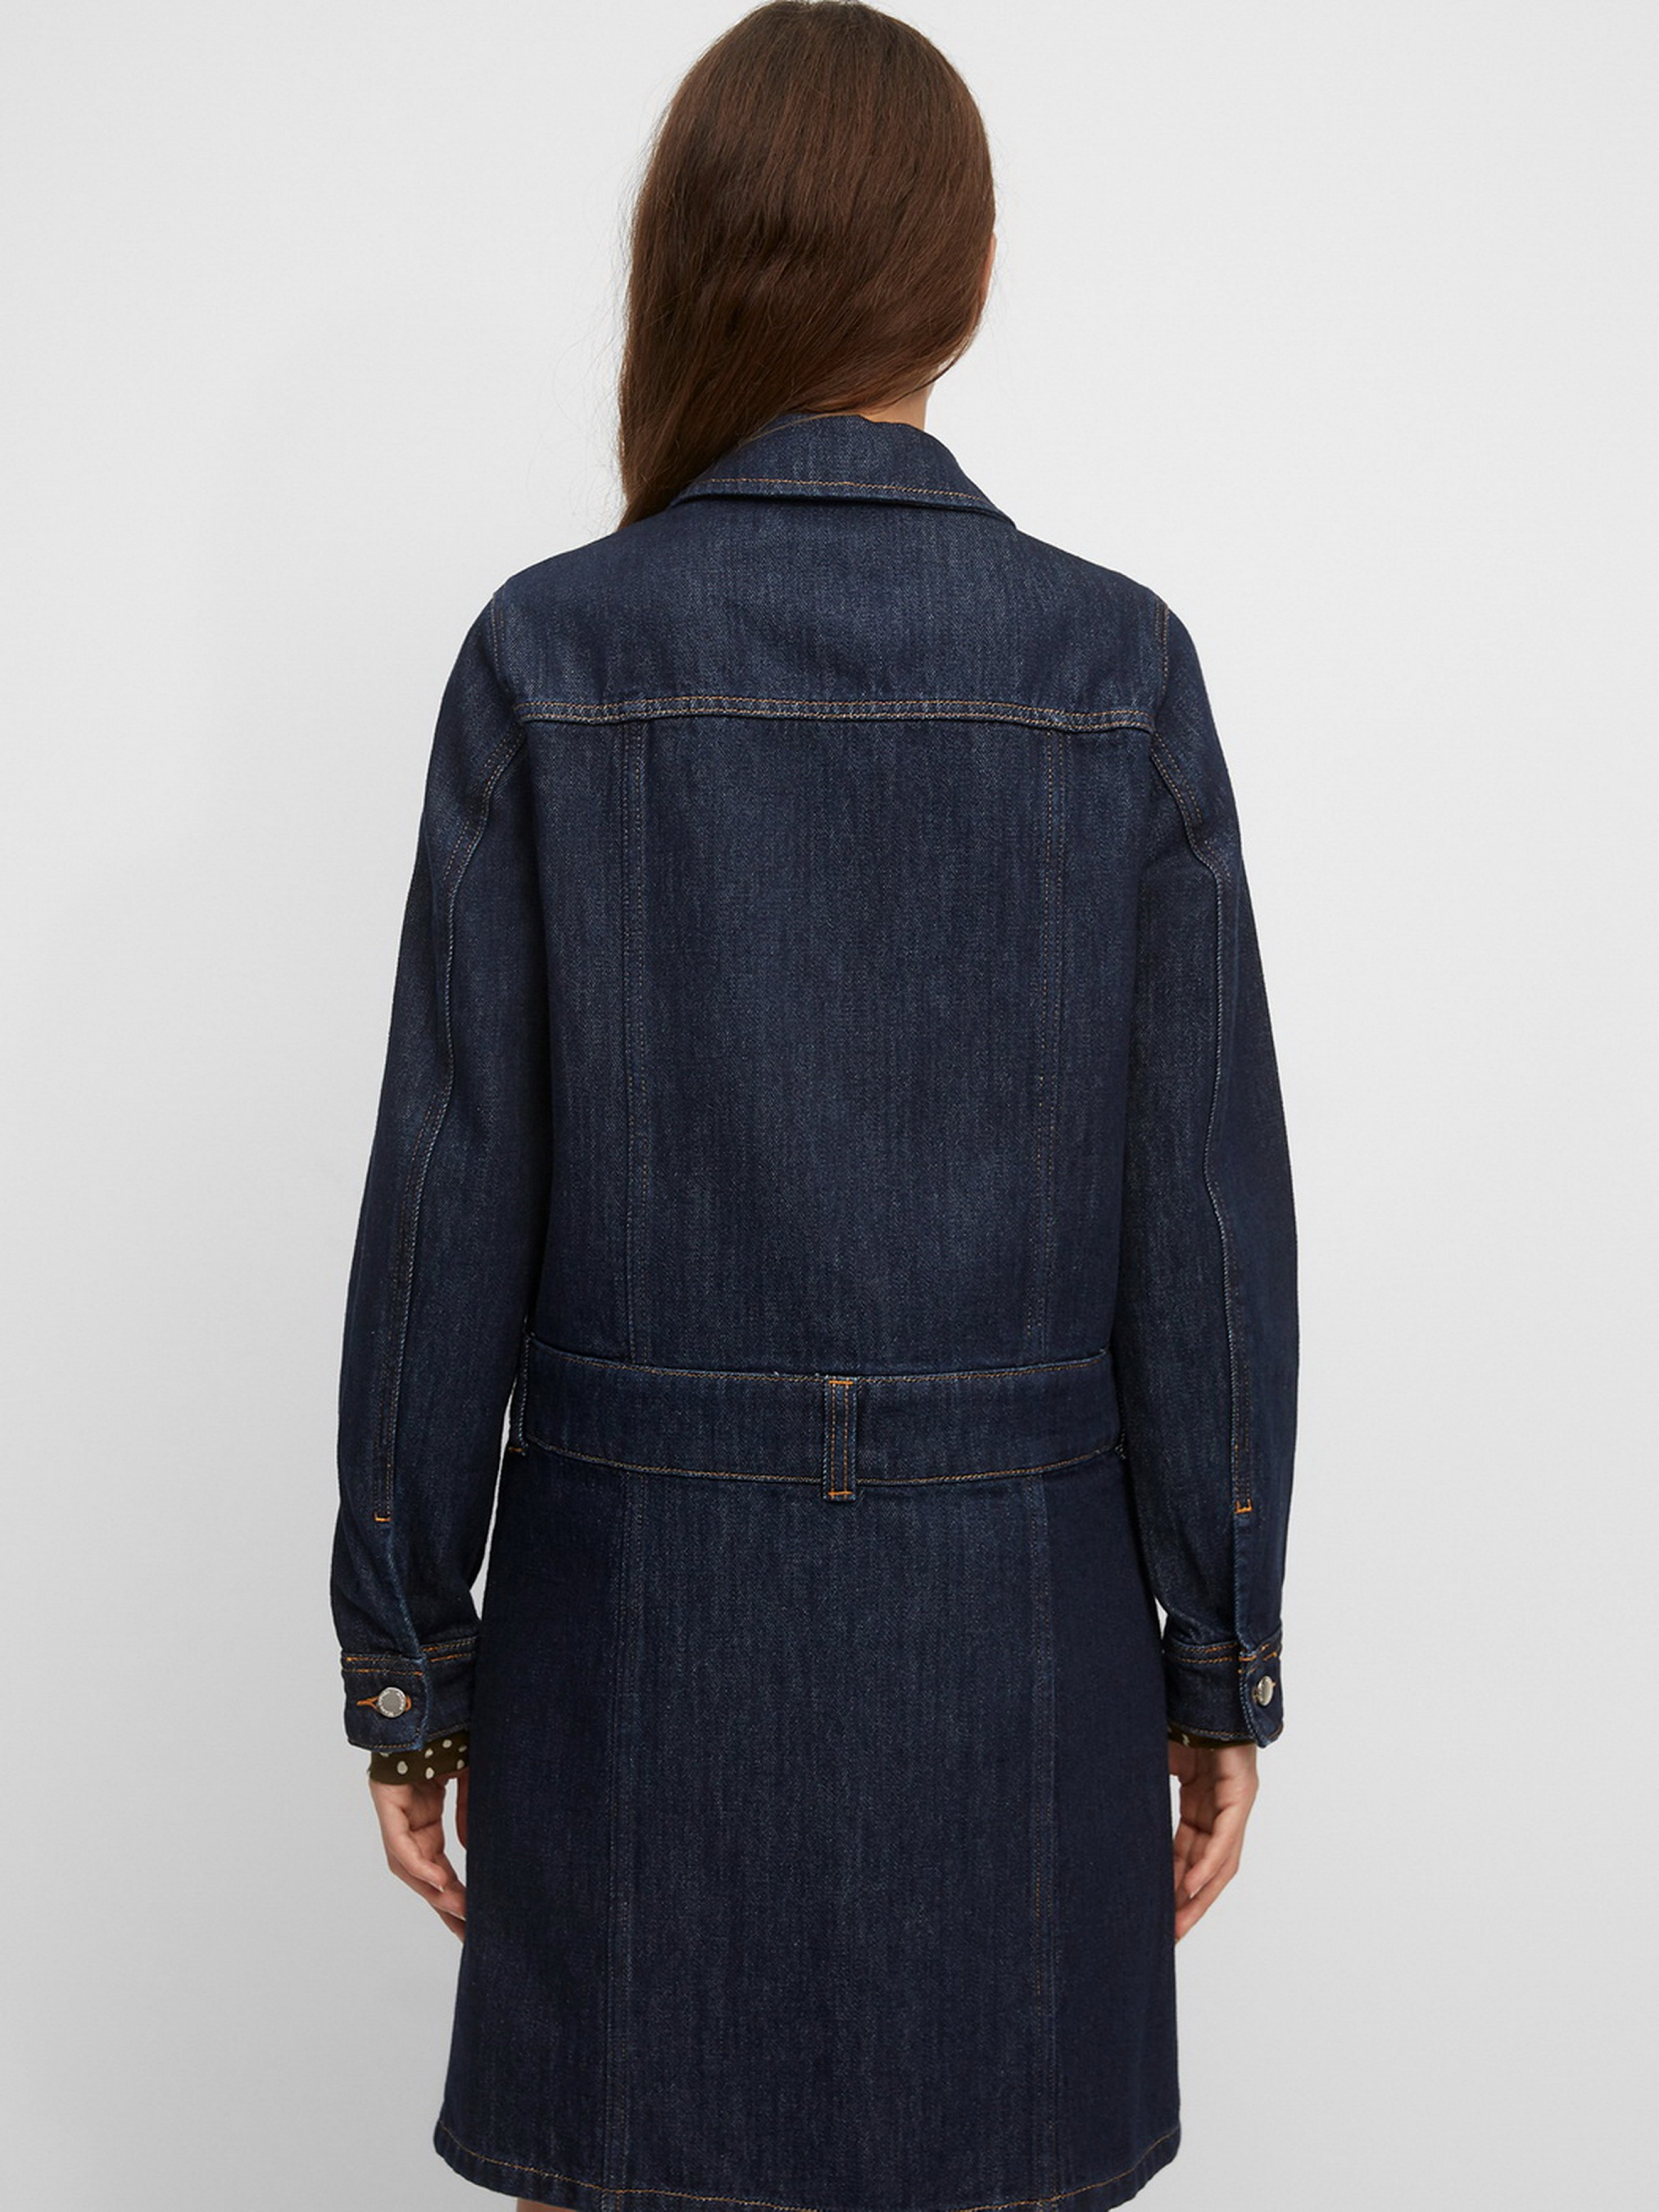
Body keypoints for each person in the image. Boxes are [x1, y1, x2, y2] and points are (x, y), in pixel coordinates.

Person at [329, 6, 1299, 2209]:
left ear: (688, 261)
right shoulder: (1112, 671)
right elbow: (1205, 1230)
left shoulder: (551, 658)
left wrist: (411, 1667)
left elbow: (441, 1207)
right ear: (966, 276)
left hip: (638, 1661)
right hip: (1013, 1666)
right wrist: (1217, 1658)